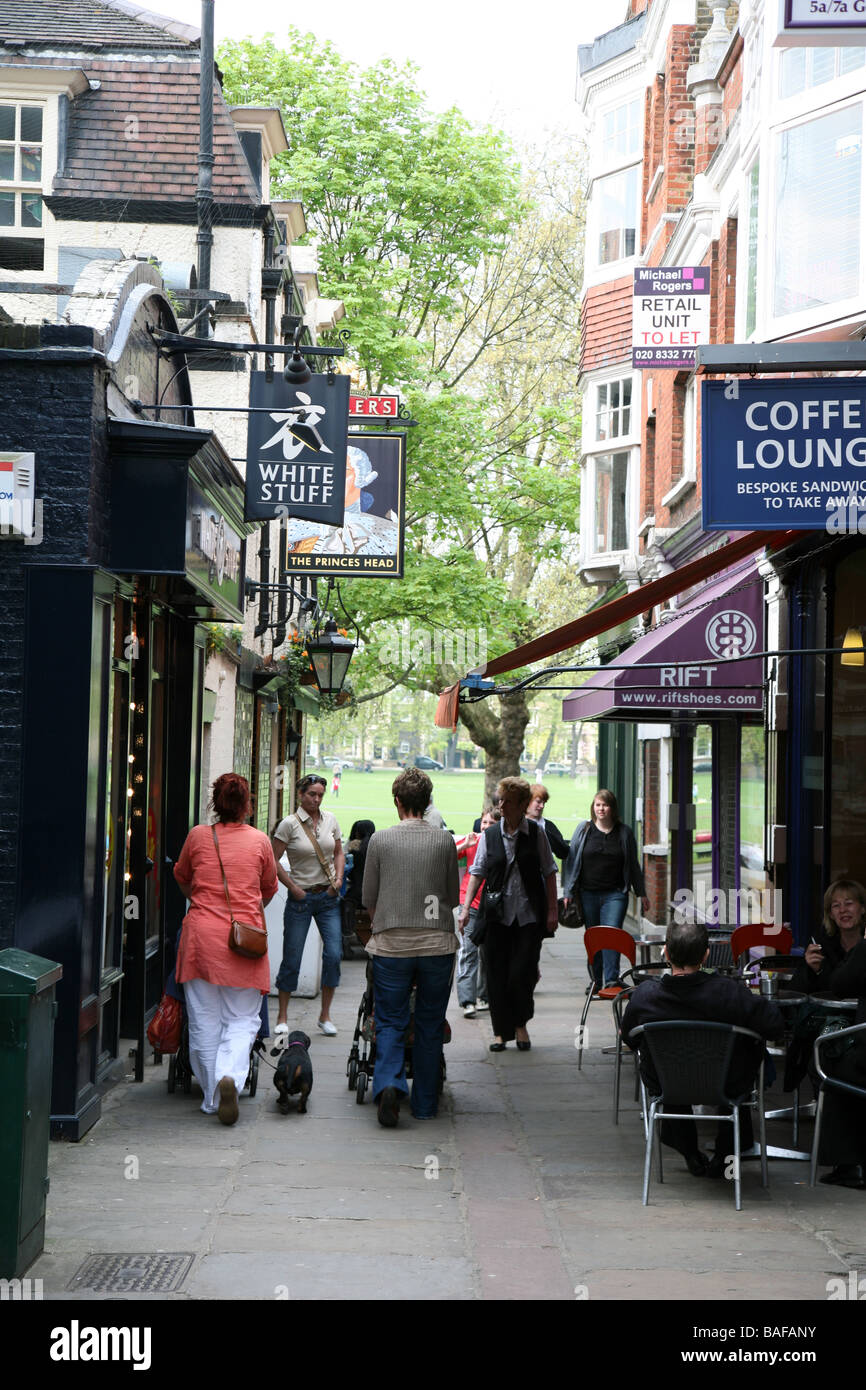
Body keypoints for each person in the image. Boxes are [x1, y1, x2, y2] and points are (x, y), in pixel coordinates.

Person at [622, 919, 784, 1176]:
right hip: (726, 1084)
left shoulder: (645, 996)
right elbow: (774, 1026)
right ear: (706, 954)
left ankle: (689, 1150)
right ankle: (725, 1155)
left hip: (669, 1085)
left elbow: (630, 1039)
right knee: (740, 1062)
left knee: (668, 1065)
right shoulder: (729, 992)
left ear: (666, 951)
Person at [173, 773, 278, 1124]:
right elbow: (268, 889)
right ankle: (230, 1073)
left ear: (214, 803)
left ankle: (213, 1096)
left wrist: (202, 901)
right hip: (244, 942)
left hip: (201, 940)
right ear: (247, 805)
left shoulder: (198, 837)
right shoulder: (260, 841)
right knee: (243, 1019)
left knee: (203, 1021)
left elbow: (182, 876)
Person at [362, 767, 460, 1126]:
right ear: (427, 802)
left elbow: (368, 897)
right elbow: (450, 895)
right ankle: (424, 1105)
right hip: (437, 944)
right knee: (431, 1022)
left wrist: (386, 917)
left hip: (391, 945)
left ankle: (389, 1082)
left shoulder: (380, 841)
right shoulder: (444, 840)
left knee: (389, 1019)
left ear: (398, 802)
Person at [459, 777, 558, 1052]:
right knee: (496, 973)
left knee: (522, 973)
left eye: (507, 801)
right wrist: (466, 909)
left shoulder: (536, 834)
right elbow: (477, 872)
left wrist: (552, 909)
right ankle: (501, 1032)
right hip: (496, 917)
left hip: (528, 916)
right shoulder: (489, 835)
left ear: (522, 805)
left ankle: (520, 1024)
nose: (500, 805)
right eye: (500, 799)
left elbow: (550, 871)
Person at [792, 878, 866, 1188]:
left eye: (849, 903)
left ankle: (849, 1160)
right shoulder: (824, 941)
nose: (843, 910)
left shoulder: (864, 945)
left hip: (858, 1029)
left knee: (834, 1066)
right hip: (836, 1024)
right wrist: (810, 968)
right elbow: (798, 988)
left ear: (862, 908)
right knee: (819, 1058)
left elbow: (840, 983)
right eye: (836, 905)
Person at [271, 773, 345, 1043]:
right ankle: (282, 1017)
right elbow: (273, 859)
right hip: (301, 898)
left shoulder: (330, 819)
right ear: (301, 794)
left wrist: (338, 879)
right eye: (312, 794)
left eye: (320, 795)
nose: (316, 799)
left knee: (334, 955)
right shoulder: (288, 825)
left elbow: (338, 851)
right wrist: (292, 887)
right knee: (292, 958)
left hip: (327, 897)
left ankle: (325, 1016)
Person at [562, 789, 649, 990]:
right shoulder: (583, 830)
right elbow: (572, 860)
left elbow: (633, 865)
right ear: (593, 808)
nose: (601, 809)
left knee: (612, 935)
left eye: (605, 805)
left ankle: (611, 980)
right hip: (587, 893)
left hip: (615, 894)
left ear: (612, 808)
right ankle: (596, 981)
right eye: (598, 805)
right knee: (594, 938)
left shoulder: (624, 833)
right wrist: (567, 892)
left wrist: (641, 892)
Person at [454, 809, 497, 1017]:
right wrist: (465, 845)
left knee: (488, 953)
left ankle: (483, 996)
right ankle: (467, 1000)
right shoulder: (472, 840)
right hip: (468, 903)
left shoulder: (500, 843)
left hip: (492, 905)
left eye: (490, 822)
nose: (486, 826)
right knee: (467, 952)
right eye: (484, 822)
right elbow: (447, 855)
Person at [526, 783, 570, 861]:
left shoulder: (548, 826)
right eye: (538, 802)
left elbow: (564, 853)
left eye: (544, 803)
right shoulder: (518, 824)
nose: (542, 806)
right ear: (528, 801)